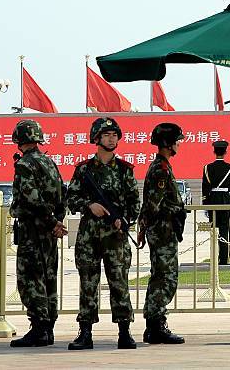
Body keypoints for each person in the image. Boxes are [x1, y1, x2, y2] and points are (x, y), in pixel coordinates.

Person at [67, 117, 140, 350]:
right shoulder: (84, 170)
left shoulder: (124, 170)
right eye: (107, 135)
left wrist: (124, 219)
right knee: (88, 283)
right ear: (96, 139)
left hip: (115, 237)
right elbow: (71, 198)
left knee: (119, 282)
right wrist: (89, 205)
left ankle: (124, 332)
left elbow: (134, 202)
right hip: (89, 235)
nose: (112, 138)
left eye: (114, 135)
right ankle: (85, 332)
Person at [9, 119, 67, 348]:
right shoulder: (49, 162)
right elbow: (63, 193)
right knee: (48, 276)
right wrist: (56, 221)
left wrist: (50, 221)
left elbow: (31, 197)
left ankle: (39, 328)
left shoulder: (24, 165)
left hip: (33, 230)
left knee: (30, 278)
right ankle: (48, 327)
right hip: (49, 231)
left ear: (19, 140)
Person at [137, 123, 186, 345]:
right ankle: (156, 325)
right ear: (167, 143)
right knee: (165, 277)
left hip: (162, 229)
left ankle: (153, 325)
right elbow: (153, 204)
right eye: (176, 140)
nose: (178, 144)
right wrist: (146, 225)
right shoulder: (161, 169)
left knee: (160, 275)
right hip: (163, 230)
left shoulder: (162, 166)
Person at [202, 140, 230, 265]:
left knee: (213, 230)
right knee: (224, 230)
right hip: (225, 199)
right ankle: (223, 259)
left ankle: (214, 257)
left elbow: (205, 188)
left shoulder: (207, 168)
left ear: (214, 152)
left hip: (212, 200)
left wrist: (205, 205)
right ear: (225, 152)